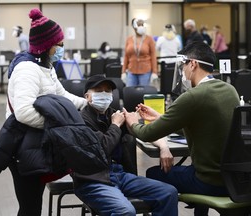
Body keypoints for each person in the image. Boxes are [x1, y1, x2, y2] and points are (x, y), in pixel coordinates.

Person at [123, 41, 240, 216]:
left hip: (208, 181)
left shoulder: (192, 97)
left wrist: (133, 122)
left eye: (184, 65)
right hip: (234, 180)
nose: (183, 71)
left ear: (193, 64)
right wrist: (161, 118)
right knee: (191, 168)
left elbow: (147, 134)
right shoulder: (230, 90)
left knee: (153, 173)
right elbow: (202, 126)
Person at [6, 8, 87, 216]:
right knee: (30, 207)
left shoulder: (45, 66)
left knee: (33, 206)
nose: (62, 48)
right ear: (46, 46)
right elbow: (23, 112)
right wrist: (58, 123)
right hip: (23, 148)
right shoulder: (27, 70)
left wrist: (86, 103)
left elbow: (62, 95)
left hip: (37, 145)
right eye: (59, 45)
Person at [73, 74, 178, 216]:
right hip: (93, 180)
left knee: (168, 193)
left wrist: (164, 147)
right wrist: (116, 125)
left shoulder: (115, 114)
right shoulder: (80, 121)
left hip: (119, 175)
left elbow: (145, 133)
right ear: (87, 96)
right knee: (125, 211)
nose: (104, 94)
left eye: (108, 91)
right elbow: (103, 149)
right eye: (98, 91)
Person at [121, 18, 158, 86]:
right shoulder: (129, 39)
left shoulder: (149, 39)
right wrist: (123, 72)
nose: (141, 27)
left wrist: (154, 72)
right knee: (130, 92)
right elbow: (126, 56)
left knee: (143, 93)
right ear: (134, 27)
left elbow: (153, 56)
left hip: (145, 71)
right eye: (139, 25)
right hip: (131, 71)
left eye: (142, 25)